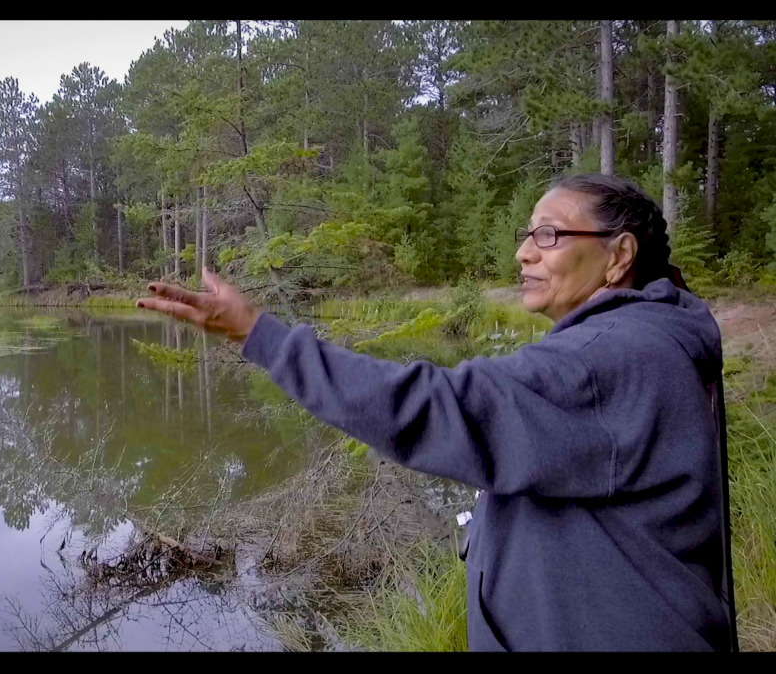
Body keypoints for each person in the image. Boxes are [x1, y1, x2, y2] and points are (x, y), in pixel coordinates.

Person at [136, 173, 737, 652]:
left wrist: (258, 335)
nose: (524, 252)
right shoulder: (646, 340)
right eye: (528, 233)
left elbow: (434, 408)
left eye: (549, 235)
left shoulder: (606, 359)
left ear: (618, 255)